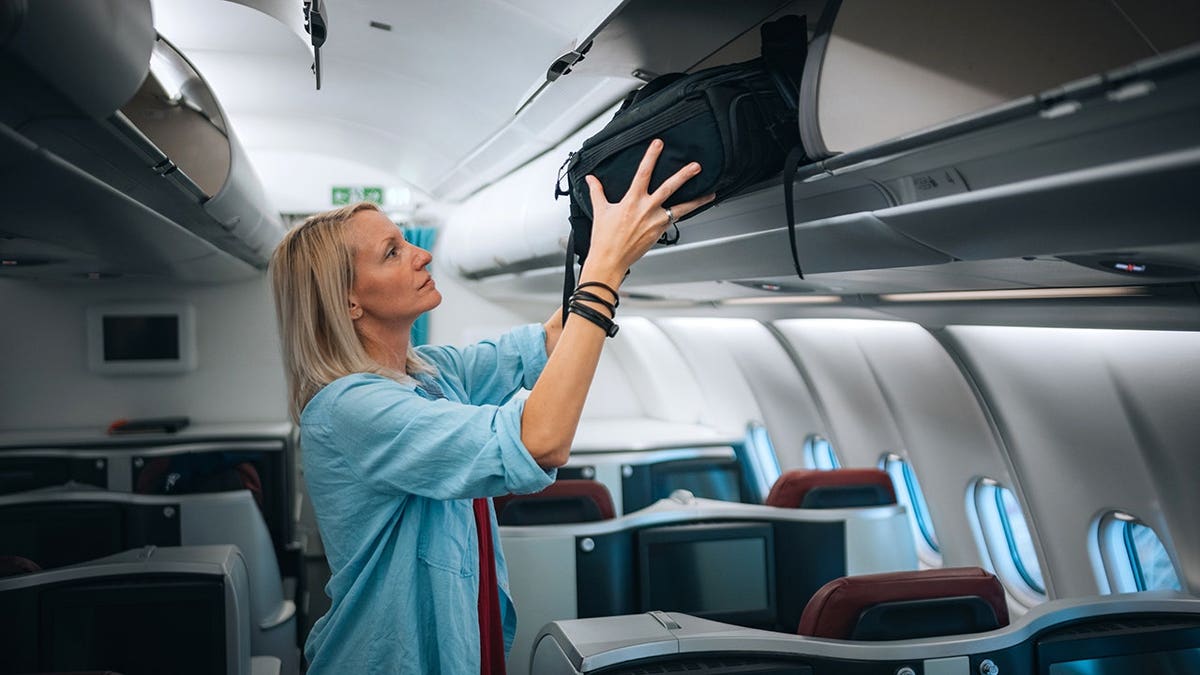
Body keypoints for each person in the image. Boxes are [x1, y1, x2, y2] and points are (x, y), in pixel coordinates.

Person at [268, 139, 713, 674]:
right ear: (348, 301)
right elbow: (541, 440)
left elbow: (551, 340)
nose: (422, 254)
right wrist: (605, 272)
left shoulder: (428, 373)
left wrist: (615, 247)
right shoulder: (349, 409)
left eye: (407, 241)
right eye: (393, 252)